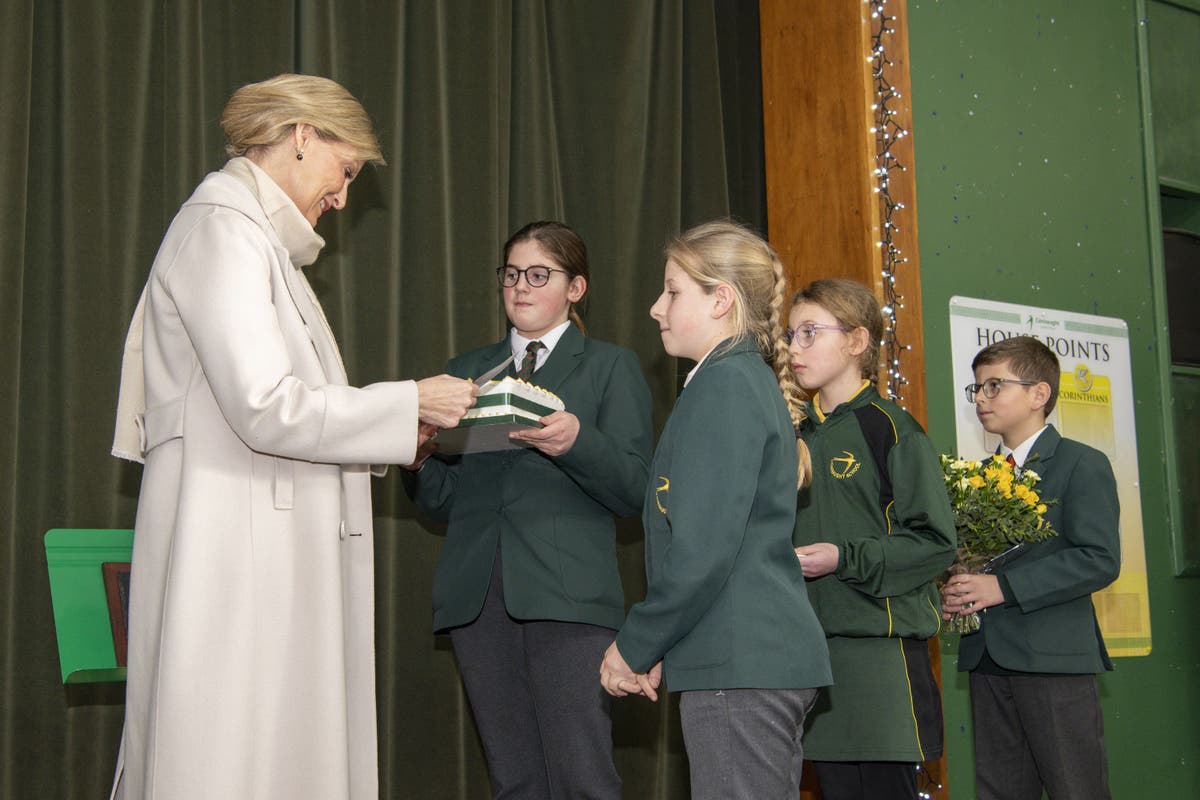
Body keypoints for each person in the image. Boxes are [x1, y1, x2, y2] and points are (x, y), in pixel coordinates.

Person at [108, 74, 478, 800]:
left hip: (257, 539)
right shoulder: (222, 229)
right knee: (229, 751)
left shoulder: (258, 244)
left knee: (270, 751)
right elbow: (264, 404)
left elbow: (291, 405)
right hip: (233, 546)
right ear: (303, 136)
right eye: (344, 173)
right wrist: (404, 404)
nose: (342, 198)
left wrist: (402, 427)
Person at [402, 220, 653, 799]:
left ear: (576, 288)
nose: (520, 287)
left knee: (582, 776)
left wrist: (576, 443)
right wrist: (416, 460)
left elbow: (637, 490)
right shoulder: (467, 369)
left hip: (566, 598)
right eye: (511, 274)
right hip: (477, 596)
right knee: (514, 780)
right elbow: (443, 501)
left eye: (539, 275)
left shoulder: (610, 368)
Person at [600, 219, 832, 799]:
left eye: (673, 291)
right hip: (743, 657)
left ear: (721, 299)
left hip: (742, 662)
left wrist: (635, 643)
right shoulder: (734, 380)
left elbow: (702, 551)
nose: (657, 307)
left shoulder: (725, 385)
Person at [787, 278, 956, 800]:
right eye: (790, 335)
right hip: (805, 651)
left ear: (858, 341)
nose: (795, 348)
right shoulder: (787, 434)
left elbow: (934, 541)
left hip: (878, 657)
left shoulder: (893, 430)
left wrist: (844, 556)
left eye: (810, 332)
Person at [942, 335, 1121, 800]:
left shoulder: (1081, 463)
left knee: (1074, 788)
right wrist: (956, 586)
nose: (981, 398)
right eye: (977, 389)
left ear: (1039, 394)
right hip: (987, 655)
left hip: (1053, 658)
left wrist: (1001, 587)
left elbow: (1098, 559)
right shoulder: (976, 474)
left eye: (994, 386)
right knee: (999, 790)